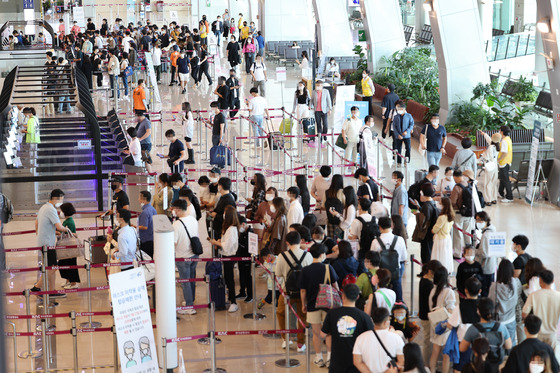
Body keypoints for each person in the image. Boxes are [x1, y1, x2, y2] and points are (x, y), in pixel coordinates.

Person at [299, 243, 339, 367]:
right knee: (329, 333)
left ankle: (318, 357)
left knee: (316, 334)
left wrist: (303, 304)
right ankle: (329, 358)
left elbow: (303, 290)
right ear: (322, 255)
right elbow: (335, 286)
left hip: (312, 306)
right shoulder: (328, 268)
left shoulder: (305, 270)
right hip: (328, 306)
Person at [321, 284, 374, 373]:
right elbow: (371, 338)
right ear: (357, 297)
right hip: (357, 361)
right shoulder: (364, 316)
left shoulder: (332, 313)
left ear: (343, 295)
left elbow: (322, 334)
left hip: (337, 362)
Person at [276, 231, 312, 351]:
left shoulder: (282, 256)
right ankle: (300, 343)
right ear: (301, 240)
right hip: (304, 292)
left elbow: (278, 274)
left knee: (281, 313)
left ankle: (286, 339)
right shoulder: (308, 256)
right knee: (302, 316)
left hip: (287, 292)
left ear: (287, 243)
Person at [460, 298, 512, 371]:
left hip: (478, 366)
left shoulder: (472, 329)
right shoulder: (501, 327)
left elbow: (462, 348)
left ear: (478, 311)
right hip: (496, 366)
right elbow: (509, 346)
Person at [353, 307, 405, 372]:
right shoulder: (396, 338)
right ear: (386, 322)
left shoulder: (361, 338)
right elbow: (402, 361)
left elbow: (357, 362)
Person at [209, 205, 240, 312]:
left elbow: (227, 245)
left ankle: (234, 302)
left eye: (225, 213)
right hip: (225, 255)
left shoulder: (232, 229)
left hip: (230, 256)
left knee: (230, 279)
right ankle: (230, 298)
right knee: (227, 278)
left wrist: (216, 242)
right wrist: (219, 241)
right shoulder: (228, 228)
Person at [172, 199, 200, 315]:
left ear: (178, 210)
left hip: (182, 257)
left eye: (173, 209)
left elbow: (173, 242)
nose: (173, 211)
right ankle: (190, 300)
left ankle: (189, 306)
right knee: (192, 279)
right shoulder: (193, 220)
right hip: (194, 254)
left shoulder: (176, 225)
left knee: (185, 281)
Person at [371, 216, 408, 302]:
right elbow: (404, 258)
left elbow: (373, 259)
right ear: (391, 225)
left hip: (381, 274)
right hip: (395, 272)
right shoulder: (400, 239)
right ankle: (398, 306)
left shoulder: (376, 242)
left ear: (379, 227)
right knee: (398, 295)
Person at [522, 270, 560, 348]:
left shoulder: (533, 295)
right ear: (553, 281)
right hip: (552, 334)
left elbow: (524, 313)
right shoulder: (558, 296)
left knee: (536, 358)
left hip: (537, 333)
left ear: (540, 281)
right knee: (550, 358)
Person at [428, 266, 456, 373]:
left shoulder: (432, 290)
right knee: (446, 355)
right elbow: (451, 310)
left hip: (435, 324)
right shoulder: (449, 292)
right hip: (445, 325)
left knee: (435, 352)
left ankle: (432, 371)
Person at [488, 259, 522, 346]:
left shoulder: (494, 287)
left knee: (498, 344)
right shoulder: (517, 282)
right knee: (511, 342)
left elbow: (491, 304)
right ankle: (510, 358)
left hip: (498, 321)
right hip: (511, 319)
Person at [418, 260, 442, 365]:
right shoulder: (428, 285)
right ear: (431, 271)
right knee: (427, 341)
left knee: (427, 340)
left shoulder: (423, 280)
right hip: (427, 316)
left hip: (423, 314)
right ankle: (426, 363)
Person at [414, 183, 439, 264]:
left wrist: (417, 215)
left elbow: (424, 221)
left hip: (426, 234)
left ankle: (426, 271)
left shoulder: (426, 206)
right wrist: (419, 207)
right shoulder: (432, 203)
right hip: (431, 233)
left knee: (425, 255)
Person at [474, 211, 497, 297]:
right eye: (477, 220)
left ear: (486, 220)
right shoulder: (493, 229)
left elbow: (484, 253)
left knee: (485, 291)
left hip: (486, 267)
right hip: (492, 265)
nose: (478, 222)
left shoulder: (486, 235)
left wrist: (475, 251)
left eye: (480, 220)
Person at [58, 203, 80, 289]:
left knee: (70, 264)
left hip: (70, 246)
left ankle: (73, 283)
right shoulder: (66, 221)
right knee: (64, 263)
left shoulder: (69, 222)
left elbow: (70, 233)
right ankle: (68, 280)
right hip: (66, 246)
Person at [450, 170, 472, 258]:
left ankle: (457, 253)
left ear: (455, 177)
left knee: (458, 234)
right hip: (469, 213)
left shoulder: (457, 187)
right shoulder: (468, 184)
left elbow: (453, 202)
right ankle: (469, 252)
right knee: (467, 234)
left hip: (459, 213)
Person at [430, 197, 454, 274]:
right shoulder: (451, 215)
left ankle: (438, 271)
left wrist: (432, 230)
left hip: (440, 238)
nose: (439, 204)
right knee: (446, 255)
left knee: (439, 256)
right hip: (447, 237)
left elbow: (435, 229)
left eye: (440, 202)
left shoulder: (442, 217)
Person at [477, 132, 501, 205]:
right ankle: (494, 198)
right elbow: (489, 140)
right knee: (494, 183)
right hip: (495, 166)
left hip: (489, 166)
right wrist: (484, 134)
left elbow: (486, 157)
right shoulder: (498, 146)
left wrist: (482, 156)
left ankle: (488, 200)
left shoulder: (490, 147)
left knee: (488, 183)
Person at [137, 191, 157, 258]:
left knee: (146, 260)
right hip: (152, 238)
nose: (138, 199)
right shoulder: (153, 209)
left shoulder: (145, 212)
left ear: (144, 199)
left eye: (139, 197)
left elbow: (144, 226)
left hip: (146, 240)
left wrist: (135, 226)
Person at [497, 125, 514, 203]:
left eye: (500, 131)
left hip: (503, 162)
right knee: (502, 178)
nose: (499, 132)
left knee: (505, 180)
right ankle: (501, 192)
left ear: (502, 132)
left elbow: (504, 152)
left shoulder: (504, 141)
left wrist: (499, 159)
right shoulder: (508, 139)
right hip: (508, 161)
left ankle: (509, 196)